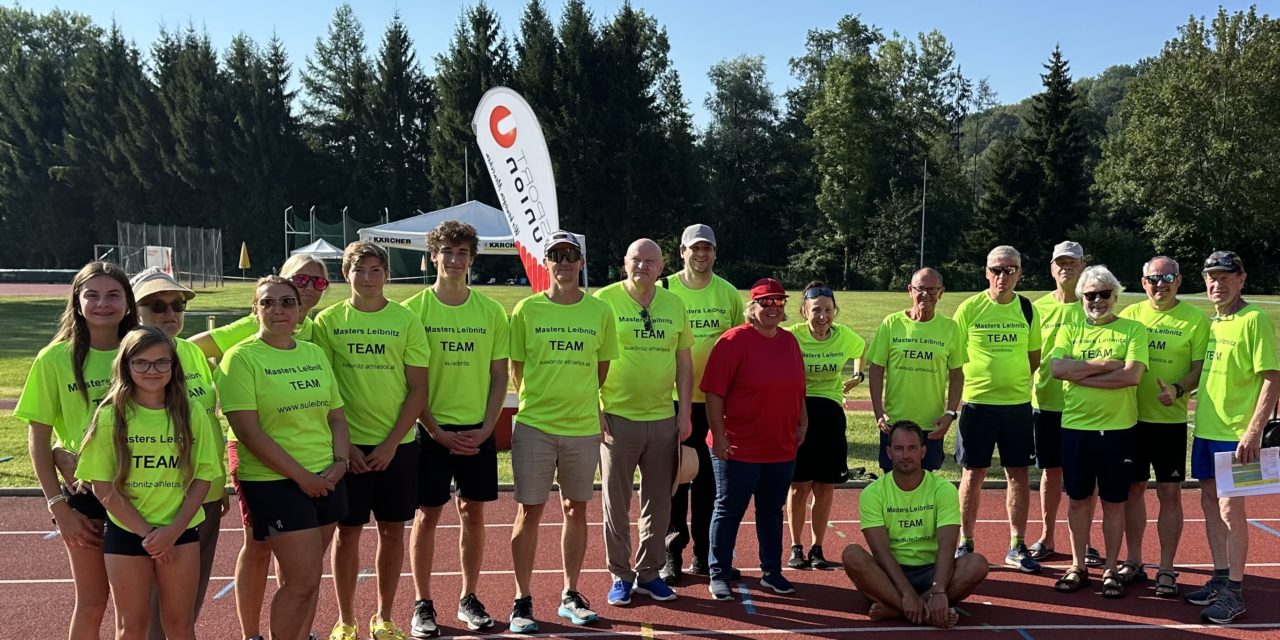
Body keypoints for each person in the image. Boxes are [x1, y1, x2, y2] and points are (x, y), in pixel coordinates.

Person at [189, 253, 331, 640]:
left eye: (318, 283)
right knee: (259, 544)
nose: (308, 288)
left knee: (300, 558)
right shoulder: (254, 324)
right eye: (300, 280)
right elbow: (192, 349)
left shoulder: (314, 330)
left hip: (309, 448)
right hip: (255, 449)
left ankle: (296, 629)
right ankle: (251, 633)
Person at [219, 275, 351, 640]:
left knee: (308, 581)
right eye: (268, 303)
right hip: (275, 482)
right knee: (302, 580)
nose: (278, 310)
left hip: (327, 476)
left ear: (300, 311)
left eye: (287, 303)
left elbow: (336, 416)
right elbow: (249, 433)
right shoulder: (240, 359)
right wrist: (302, 477)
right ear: (255, 309)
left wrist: (340, 464)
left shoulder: (315, 354)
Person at [15, 261, 139, 640]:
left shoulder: (143, 348)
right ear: (77, 301)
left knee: (135, 608)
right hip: (85, 494)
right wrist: (59, 506)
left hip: (147, 489)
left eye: (113, 294)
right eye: (93, 295)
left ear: (128, 302)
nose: (103, 303)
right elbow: (38, 437)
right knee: (92, 601)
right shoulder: (54, 359)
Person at [314, 242, 430, 640]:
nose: (368, 278)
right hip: (347, 450)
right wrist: (344, 450)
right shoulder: (327, 322)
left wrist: (389, 445)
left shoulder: (406, 320)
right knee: (347, 533)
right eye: (359, 270)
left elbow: (417, 389)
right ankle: (346, 620)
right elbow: (325, 391)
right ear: (345, 274)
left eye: (376, 270)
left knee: (393, 531)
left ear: (387, 274)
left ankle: (383, 616)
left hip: (396, 448)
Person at [76, 326, 220, 640]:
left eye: (161, 362)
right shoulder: (110, 416)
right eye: (141, 362)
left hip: (179, 532)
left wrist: (172, 532)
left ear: (173, 366)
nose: (152, 370)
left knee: (180, 625)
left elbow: (203, 477)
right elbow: (103, 486)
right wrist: (150, 535)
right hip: (128, 534)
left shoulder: (190, 412)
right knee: (131, 628)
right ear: (125, 366)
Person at [507, 231, 618, 633]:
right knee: (529, 511)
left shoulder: (599, 312)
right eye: (557, 255)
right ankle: (522, 600)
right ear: (546, 262)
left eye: (571, 255)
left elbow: (601, 369)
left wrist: (582, 402)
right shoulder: (526, 310)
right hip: (536, 426)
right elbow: (516, 369)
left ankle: (571, 593)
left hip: (582, 427)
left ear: (581, 262)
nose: (565, 262)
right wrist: (539, 403)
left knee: (576, 508)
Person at [403, 220, 510, 637]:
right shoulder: (413, 311)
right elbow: (411, 383)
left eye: (462, 252)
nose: (454, 259)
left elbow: (499, 376)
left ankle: (468, 597)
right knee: (427, 516)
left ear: (471, 258)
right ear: (433, 255)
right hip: (430, 429)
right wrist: (432, 428)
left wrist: (486, 429)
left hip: (475, 431)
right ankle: (422, 603)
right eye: (446, 251)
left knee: (473, 514)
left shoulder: (490, 311)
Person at [130, 267, 226, 640]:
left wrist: (216, 486)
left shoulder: (192, 352)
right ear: (136, 311)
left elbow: (207, 420)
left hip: (205, 493)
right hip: (155, 499)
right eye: (157, 305)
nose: (170, 313)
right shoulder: (128, 356)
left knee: (187, 603)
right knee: (152, 605)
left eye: (177, 304)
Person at [596, 239, 693, 606]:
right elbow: (592, 356)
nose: (643, 266)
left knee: (659, 503)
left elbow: (684, 363)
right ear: (625, 262)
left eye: (650, 261)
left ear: (662, 265)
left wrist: (683, 412)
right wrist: (595, 404)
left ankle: (649, 572)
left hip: (662, 419)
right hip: (617, 420)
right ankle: (620, 574)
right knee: (615, 503)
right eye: (636, 259)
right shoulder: (604, 300)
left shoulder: (674, 304)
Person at [1185, 251, 1279, 624]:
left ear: (1242, 278)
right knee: (1209, 502)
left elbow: (1272, 377)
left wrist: (1254, 429)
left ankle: (1236, 592)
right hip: (1206, 430)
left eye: (1225, 277)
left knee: (1229, 510)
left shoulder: (1253, 319)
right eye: (1211, 277)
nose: (1217, 284)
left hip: (1235, 435)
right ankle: (1220, 577)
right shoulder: (1216, 322)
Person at [702, 278, 807, 600]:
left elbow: (799, 389)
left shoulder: (789, 342)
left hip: (780, 446)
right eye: (766, 302)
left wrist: (803, 421)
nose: (773, 307)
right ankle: (718, 573)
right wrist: (719, 437)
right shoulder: (733, 341)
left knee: (772, 511)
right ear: (752, 306)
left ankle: (771, 572)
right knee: (729, 509)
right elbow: (713, 394)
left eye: (779, 302)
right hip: (737, 446)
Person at [1049, 266, 1147, 599]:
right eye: (1090, 295)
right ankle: (1077, 565)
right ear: (1081, 298)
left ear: (1115, 295)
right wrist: (1104, 365)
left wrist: (1081, 375)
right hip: (1076, 429)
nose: (1097, 300)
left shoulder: (1133, 330)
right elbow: (1057, 369)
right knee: (1078, 502)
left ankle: (1109, 568)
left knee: (1114, 503)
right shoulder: (1070, 328)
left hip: (1119, 431)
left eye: (1104, 294)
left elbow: (1132, 377)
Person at [1116, 256, 1208, 596]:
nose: (1160, 283)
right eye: (1153, 278)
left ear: (1179, 281)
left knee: (1169, 493)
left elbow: (1199, 367)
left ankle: (1167, 568)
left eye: (1167, 277)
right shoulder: (1130, 316)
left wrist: (1178, 389)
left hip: (1169, 423)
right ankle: (1134, 561)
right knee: (1132, 490)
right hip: (1129, 420)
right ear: (1143, 283)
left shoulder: (1196, 320)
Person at [841, 421, 988, 629]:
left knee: (977, 564)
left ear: (923, 451)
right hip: (890, 574)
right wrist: (908, 594)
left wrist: (938, 590)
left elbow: (948, 545)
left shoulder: (943, 489)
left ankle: (898, 609)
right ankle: (926, 612)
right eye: (899, 448)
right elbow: (880, 551)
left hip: (932, 571)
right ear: (889, 452)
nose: (905, 455)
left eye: (912, 448)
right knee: (852, 555)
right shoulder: (873, 493)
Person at [662, 223, 744, 585]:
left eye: (706, 248)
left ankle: (705, 556)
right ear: (682, 252)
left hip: (716, 405)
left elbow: (742, 345)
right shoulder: (665, 289)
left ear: (715, 252)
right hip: (673, 402)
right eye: (694, 248)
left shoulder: (727, 293)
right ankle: (671, 555)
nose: (701, 254)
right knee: (676, 482)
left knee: (712, 485)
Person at [951, 246, 1042, 573]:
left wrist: (1012, 381)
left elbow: (1034, 358)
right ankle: (966, 542)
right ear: (986, 272)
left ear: (1019, 273)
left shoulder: (1028, 309)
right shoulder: (969, 309)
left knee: (1017, 475)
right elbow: (955, 360)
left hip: (1017, 406)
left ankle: (1017, 545)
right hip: (977, 405)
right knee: (972, 474)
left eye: (1010, 269)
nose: (1003, 276)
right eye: (996, 269)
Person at [784, 281, 864, 571]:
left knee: (825, 487)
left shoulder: (843, 336)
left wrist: (858, 374)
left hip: (830, 415)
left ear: (835, 311)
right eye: (816, 310)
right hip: (798, 414)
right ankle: (796, 546)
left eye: (828, 310)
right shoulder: (791, 336)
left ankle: (818, 547)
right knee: (799, 487)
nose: (822, 316)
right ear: (804, 310)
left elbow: (861, 349)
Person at [1029, 242, 1091, 564]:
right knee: (1051, 473)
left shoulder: (1093, 305)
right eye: (1060, 262)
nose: (1066, 267)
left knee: (1084, 476)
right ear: (1052, 268)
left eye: (1072, 262)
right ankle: (1047, 536)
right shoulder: (1037, 308)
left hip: (1085, 405)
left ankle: (1086, 540)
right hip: (1046, 402)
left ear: (1083, 265)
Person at [868, 268, 965, 475]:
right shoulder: (891, 323)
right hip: (894, 422)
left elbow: (957, 375)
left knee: (927, 486)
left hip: (931, 424)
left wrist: (949, 414)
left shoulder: (951, 328)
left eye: (932, 289)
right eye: (920, 289)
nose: (925, 295)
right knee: (892, 485)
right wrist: (878, 412)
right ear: (910, 290)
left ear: (941, 292)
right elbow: (876, 369)